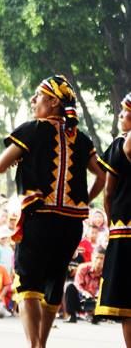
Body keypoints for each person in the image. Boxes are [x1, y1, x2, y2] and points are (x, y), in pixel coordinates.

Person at [0, 75, 105, 348]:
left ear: (53, 101)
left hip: (38, 219)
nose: (34, 101)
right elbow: (101, 177)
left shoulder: (33, 129)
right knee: (55, 280)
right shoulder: (81, 138)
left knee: (28, 284)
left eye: (38, 96)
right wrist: (83, 201)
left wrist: (21, 158)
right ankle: (41, 343)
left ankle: (35, 345)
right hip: (70, 225)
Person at [94, 91, 131, 346]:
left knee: (128, 304)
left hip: (123, 231)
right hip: (123, 230)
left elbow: (108, 194)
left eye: (125, 109)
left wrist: (111, 223)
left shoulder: (122, 144)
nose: (120, 114)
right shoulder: (119, 144)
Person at [65, 248, 103, 323]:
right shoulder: (83, 267)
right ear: (92, 257)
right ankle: (72, 315)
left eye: (102, 258)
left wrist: (96, 296)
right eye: (97, 257)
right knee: (70, 287)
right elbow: (77, 284)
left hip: (96, 300)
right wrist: (85, 293)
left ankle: (95, 316)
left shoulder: (106, 272)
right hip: (82, 298)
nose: (99, 261)